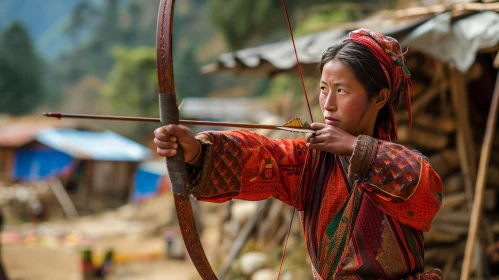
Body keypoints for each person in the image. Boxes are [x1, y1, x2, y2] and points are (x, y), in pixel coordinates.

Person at [154, 28, 443, 279]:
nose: (327, 103)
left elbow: (425, 190)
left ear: (379, 97)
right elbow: (263, 154)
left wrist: (356, 148)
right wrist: (196, 151)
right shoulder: (312, 159)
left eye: (341, 90)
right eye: (323, 88)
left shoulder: (403, 165)